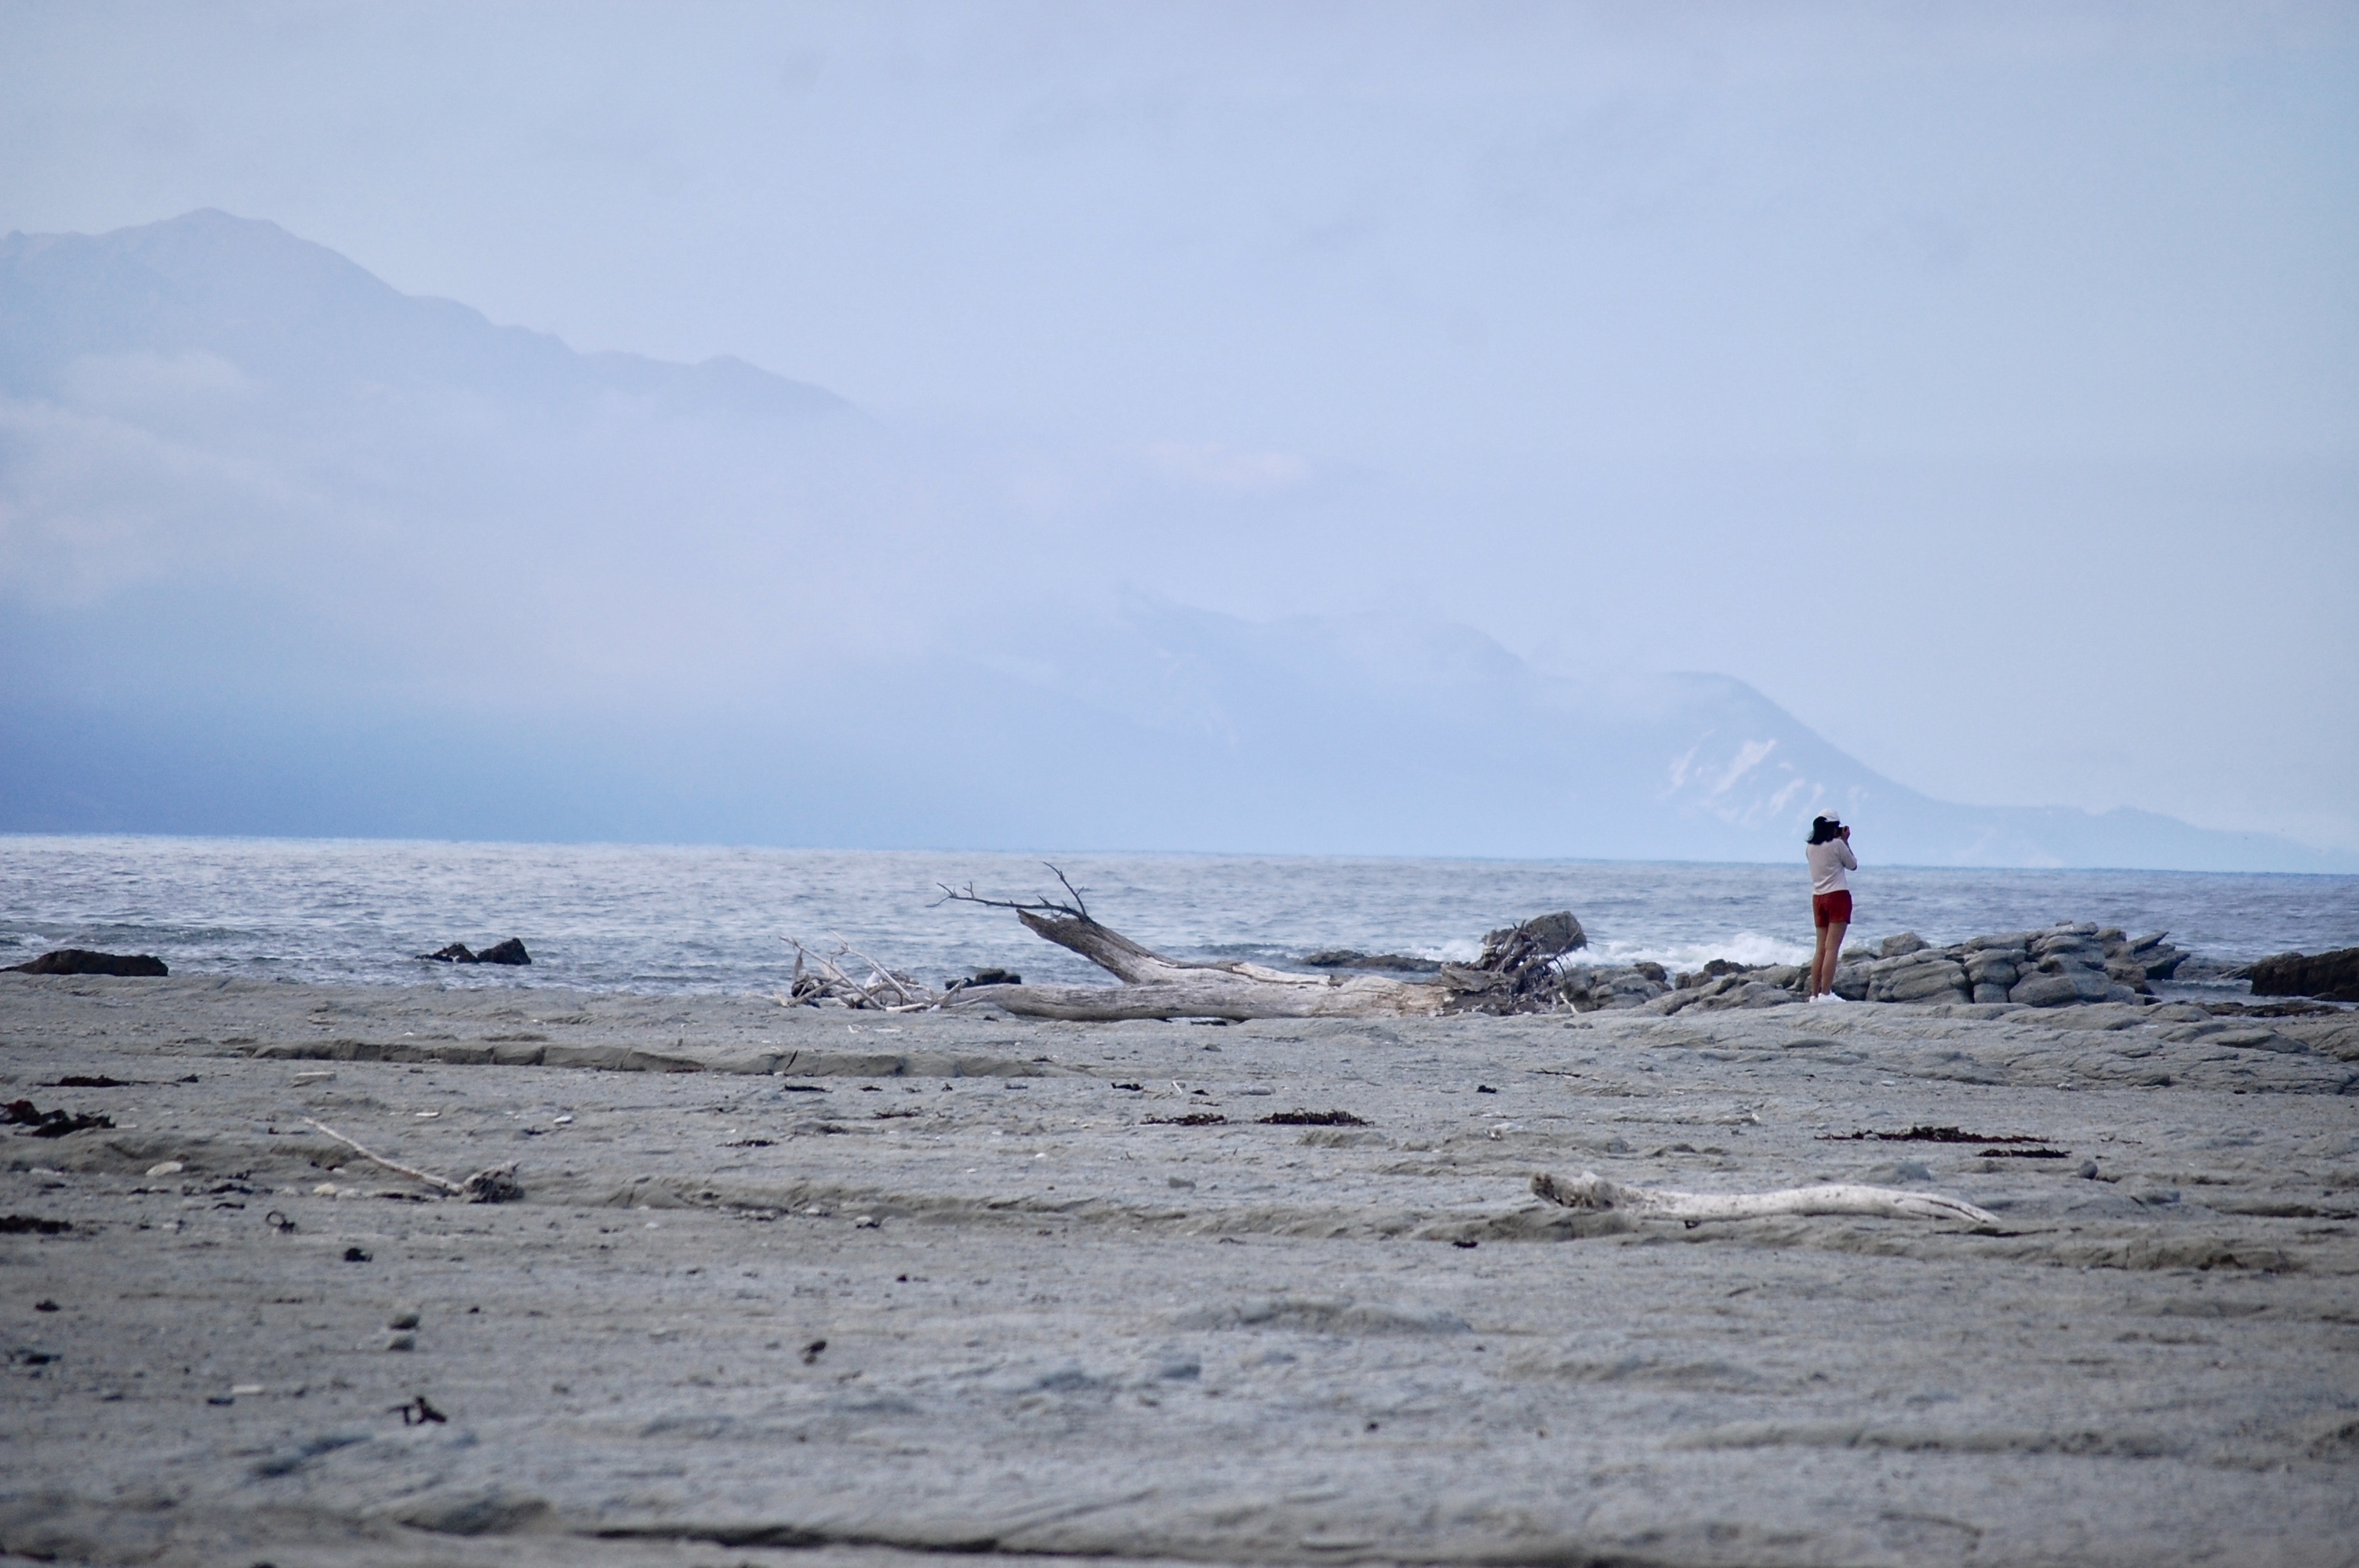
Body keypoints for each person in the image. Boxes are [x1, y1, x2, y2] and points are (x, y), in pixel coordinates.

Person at [1805, 815, 1856, 1002]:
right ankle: (1826, 993)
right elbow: (1853, 864)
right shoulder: (1837, 845)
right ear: (1833, 828)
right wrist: (1845, 841)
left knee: (1820, 948)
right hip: (1837, 896)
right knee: (1832, 948)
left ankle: (1814, 994)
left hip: (1818, 897)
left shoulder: (1810, 848)